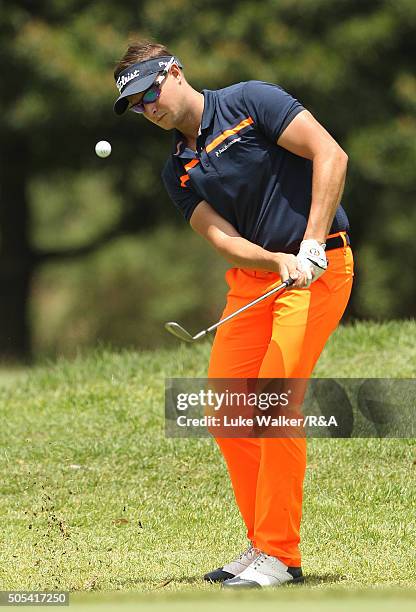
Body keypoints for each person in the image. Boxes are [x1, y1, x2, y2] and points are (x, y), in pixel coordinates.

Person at [113, 41, 354, 589]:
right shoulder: (176, 168)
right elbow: (221, 237)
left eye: (150, 92)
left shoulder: (251, 101)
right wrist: (274, 259)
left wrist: (310, 244)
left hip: (320, 267)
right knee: (227, 411)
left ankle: (280, 554)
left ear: (174, 71)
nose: (148, 107)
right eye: (136, 104)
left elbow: (331, 155)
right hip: (258, 280)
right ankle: (260, 545)